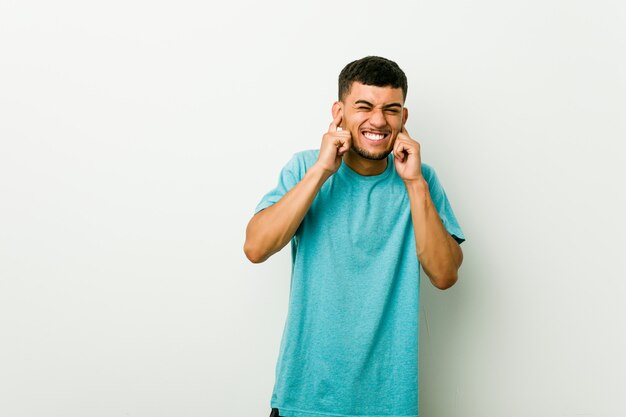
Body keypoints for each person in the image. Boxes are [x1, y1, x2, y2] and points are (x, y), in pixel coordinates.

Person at [244, 56, 465, 417]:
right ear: (339, 111)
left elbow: (445, 275)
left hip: (388, 403)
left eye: (390, 110)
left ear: (403, 119)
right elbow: (255, 247)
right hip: (305, 397)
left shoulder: (421, 180)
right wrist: (321, 171)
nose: (378, 120)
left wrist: (414, 184)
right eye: (364, 106)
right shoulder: (304, 167)